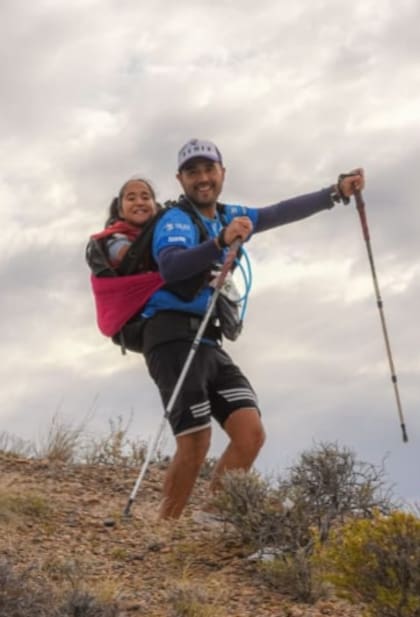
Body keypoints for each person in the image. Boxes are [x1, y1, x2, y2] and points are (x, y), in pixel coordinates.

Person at [140, 139, 365, 520]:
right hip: (172, 337)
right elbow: (172, 268)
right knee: (195, 441)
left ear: (222, 173)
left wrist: (334, 192)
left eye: (209, 169)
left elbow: (279, 211)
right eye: (192, 172)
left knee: (250, 433)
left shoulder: (231, 213)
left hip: (209, 338)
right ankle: (164, 530)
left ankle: (208, 521)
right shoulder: (175, 220)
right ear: (180, 179)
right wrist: (219, 242)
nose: (203, 178)